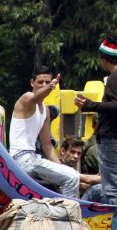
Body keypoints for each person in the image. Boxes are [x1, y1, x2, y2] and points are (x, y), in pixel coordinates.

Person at [74, 38, 117, 206]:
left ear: (103, 59)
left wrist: (89, 105)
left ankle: (116, 220)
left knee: (112, 188)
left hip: (111, 138)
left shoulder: (115, 77)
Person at [9, 66, 79, 198]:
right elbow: (36, 97)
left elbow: (47, 145)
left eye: (47, 82)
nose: (44, 85)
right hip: (20, 159)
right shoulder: (26, 98)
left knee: (70, 175)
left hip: (33, 159)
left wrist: (61, 168)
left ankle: (63, 207)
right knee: (72, 177)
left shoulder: (45, 111)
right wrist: (50, 86)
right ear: (32, 83)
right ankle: (67, 210)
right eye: (40, 82)